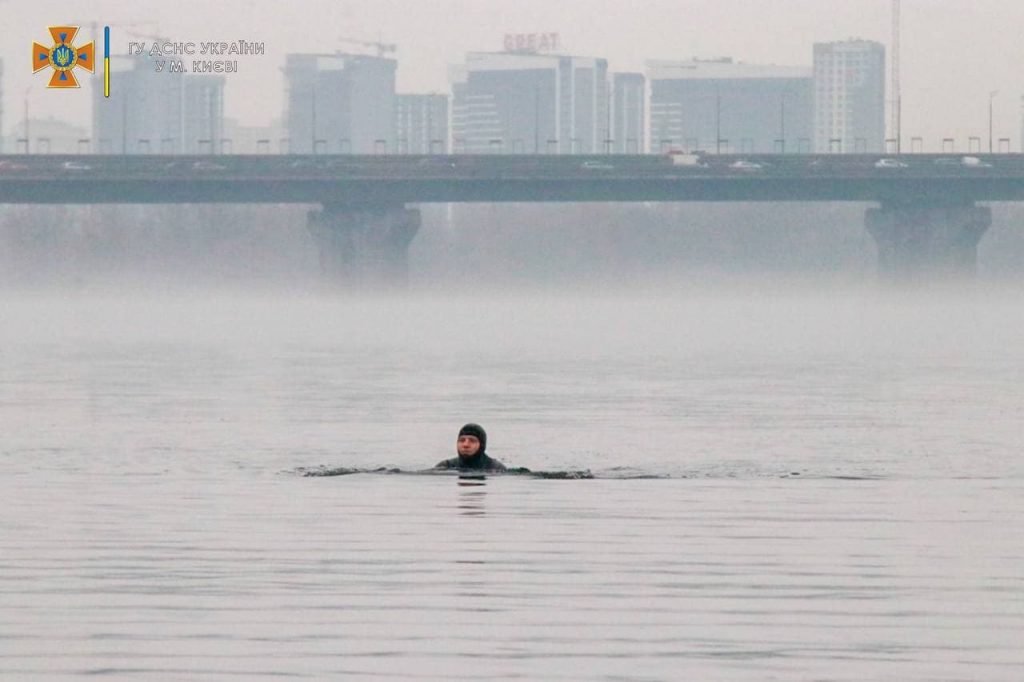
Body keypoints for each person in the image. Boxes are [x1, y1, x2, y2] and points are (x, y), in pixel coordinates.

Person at [435, 423, 507, 472]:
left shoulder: (495, 468)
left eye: (472, 441)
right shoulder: (446, 466)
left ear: (481, 445)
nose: (465, 445)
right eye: (462, 440)